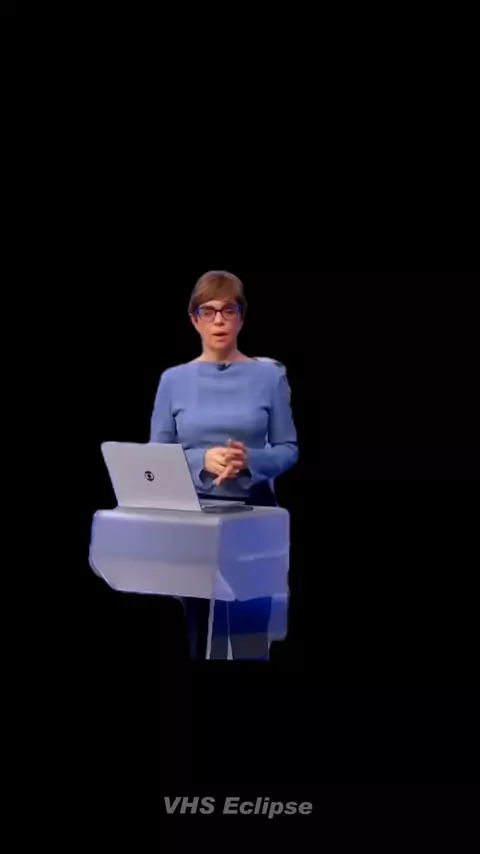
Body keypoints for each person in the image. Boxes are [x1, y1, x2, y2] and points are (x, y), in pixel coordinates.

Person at [149, 271, 299, 659]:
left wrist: (249, 459)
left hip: (254, 515)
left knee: (249, 635)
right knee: (198, 630)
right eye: (208, 311)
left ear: (241, 317)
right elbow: (156, 458)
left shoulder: (269, 376)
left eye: (228, 310)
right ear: (194, 319)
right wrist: (202, 459)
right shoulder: (173, 380)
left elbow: (288, 448)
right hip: (194, 517)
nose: (219, 320)